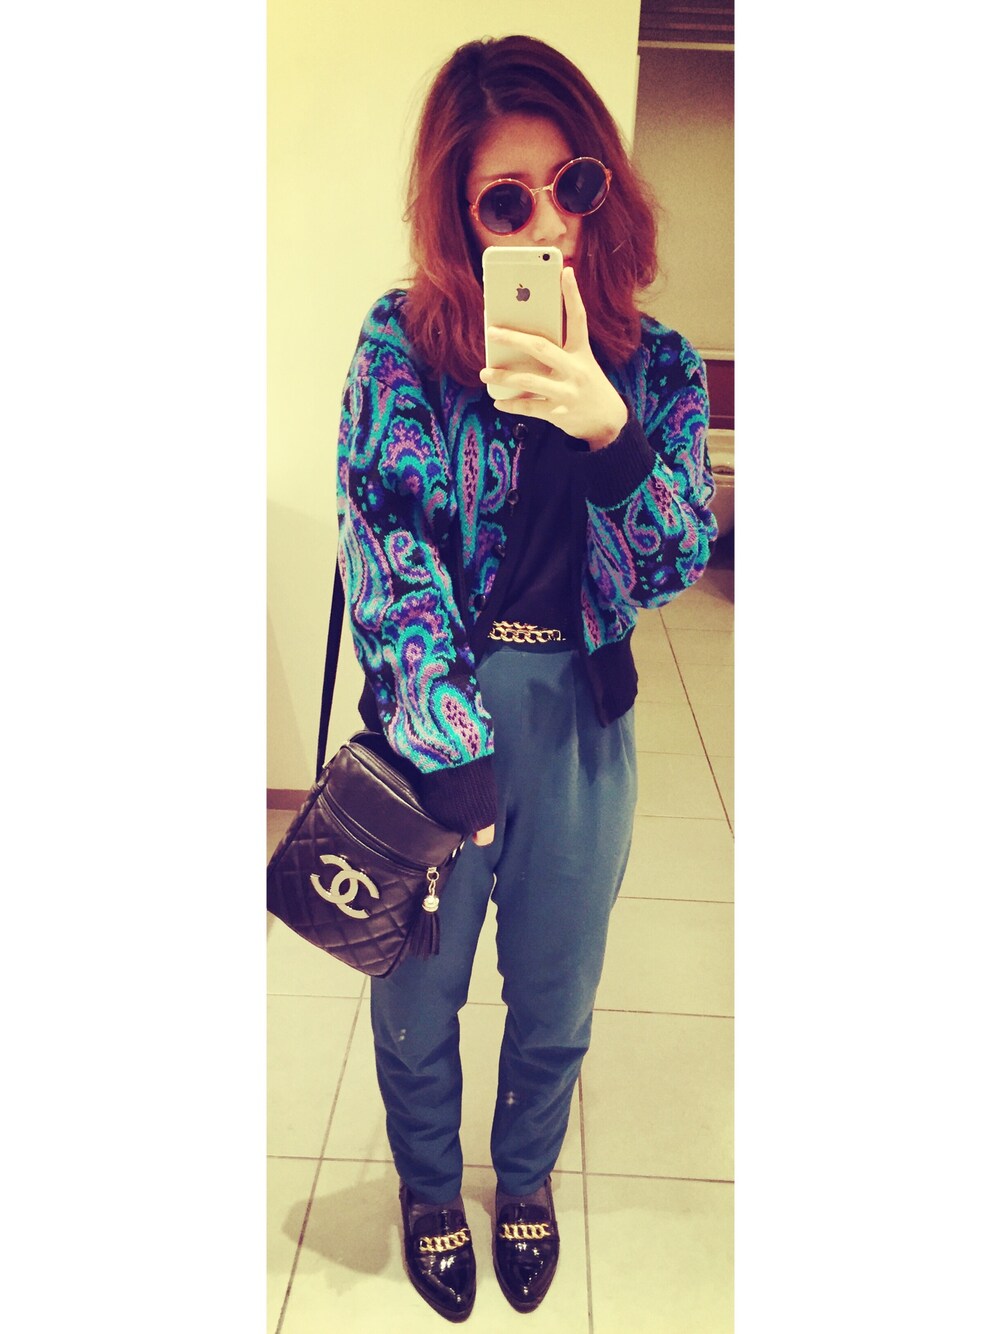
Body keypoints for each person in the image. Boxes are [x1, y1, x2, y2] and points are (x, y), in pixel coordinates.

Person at [336, 34, 717, 1322]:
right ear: (460, 214)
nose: (549, 223)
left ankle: (529, 1177)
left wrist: (610, 433)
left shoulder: (657, 368)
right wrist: (450, 749)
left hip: (583, 723)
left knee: (556, 990)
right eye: (507, 200)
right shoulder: (401, 349)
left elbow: (672, 561)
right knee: (417, 990)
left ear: (607, 183)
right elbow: (387, 551)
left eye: (575, 184)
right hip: (437, 721)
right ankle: (429, 1189)